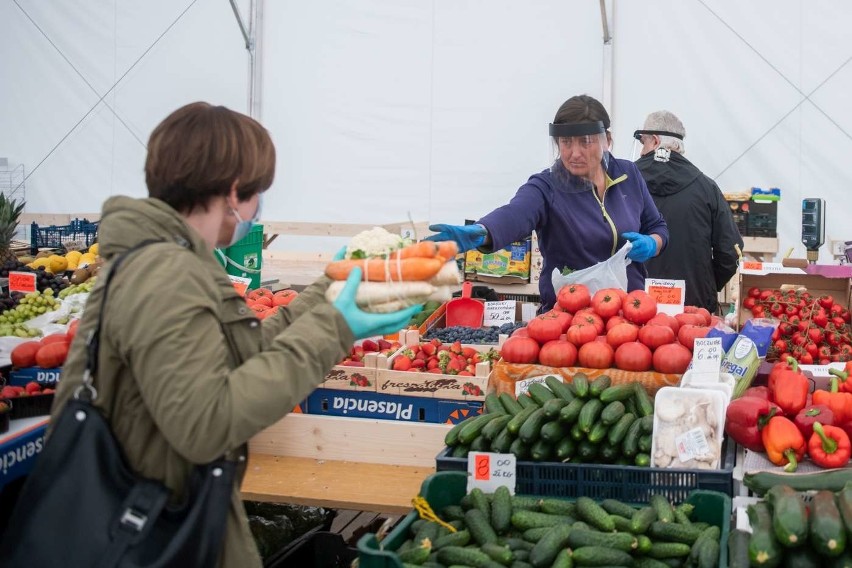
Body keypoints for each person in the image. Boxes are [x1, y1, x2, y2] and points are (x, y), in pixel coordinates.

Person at [46, 102, 421, 567]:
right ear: (233, 191)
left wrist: (330, 287)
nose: (257, 207)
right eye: (258, 192)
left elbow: (244, 355)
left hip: (170, 516)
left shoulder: (179, 262)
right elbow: (205, 424)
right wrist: (337, 325)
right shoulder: (162, 273)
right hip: (151, 533)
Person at [427, 94, 669, 311]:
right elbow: (516, 213)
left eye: (585, 142)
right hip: (569, 320)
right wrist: (484, 232)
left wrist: (652, 243)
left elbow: (658, 226)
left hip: (628, 314)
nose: (574, 153)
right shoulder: (547, 187)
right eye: (566, 142)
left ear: (607, 140)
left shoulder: (628, 174)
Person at [634, 110, 743, 313]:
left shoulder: (623, 183)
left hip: (633, 307)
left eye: (644, 143)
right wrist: (704, 286)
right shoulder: (707, 188)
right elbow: (730, 252)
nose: (641, 152)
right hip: (693, 310)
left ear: (655, 141)